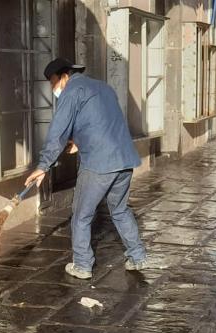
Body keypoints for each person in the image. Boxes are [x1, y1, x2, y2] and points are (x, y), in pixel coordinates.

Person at [25, 58, 148, 280]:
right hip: (125, 159)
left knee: (81, 215)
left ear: (64, 76)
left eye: (53, 82)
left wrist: (43, 165)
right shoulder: (103, 87)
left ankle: (82, 265)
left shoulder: (72, 91)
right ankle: (138, 257)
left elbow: (58, 132)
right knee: (120, 210)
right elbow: (104, 122)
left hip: (99, 163)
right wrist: (81, 141)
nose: (54, 89)